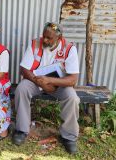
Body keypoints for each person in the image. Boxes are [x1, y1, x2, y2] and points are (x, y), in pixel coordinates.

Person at [12, 22, 80, 154]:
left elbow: (73, 79)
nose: (45, 40)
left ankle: (69, 137)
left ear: (59, 38)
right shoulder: (35, 43)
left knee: (72, 98)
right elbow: (24, 68)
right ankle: (22, 130)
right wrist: (40, 83)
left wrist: (49, 81)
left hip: (58, 84)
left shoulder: (69, 49)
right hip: (36, 81)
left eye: (49, 38)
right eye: (44, 36)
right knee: (21, 89)